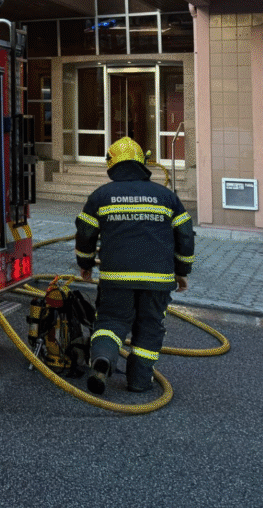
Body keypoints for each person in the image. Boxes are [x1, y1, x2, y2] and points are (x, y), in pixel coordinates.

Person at [75, 136, 194, 394]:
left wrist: (85, 264)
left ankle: (103, 360)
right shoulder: (166, 196)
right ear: (141, 162)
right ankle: (139, 382)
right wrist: (182, 271)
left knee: (109, 321)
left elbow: (85, 233)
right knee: (149, 327)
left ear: (112, 164)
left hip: (116, 277)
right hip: (158, 279)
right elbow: (185, 235)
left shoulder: (101, 196)